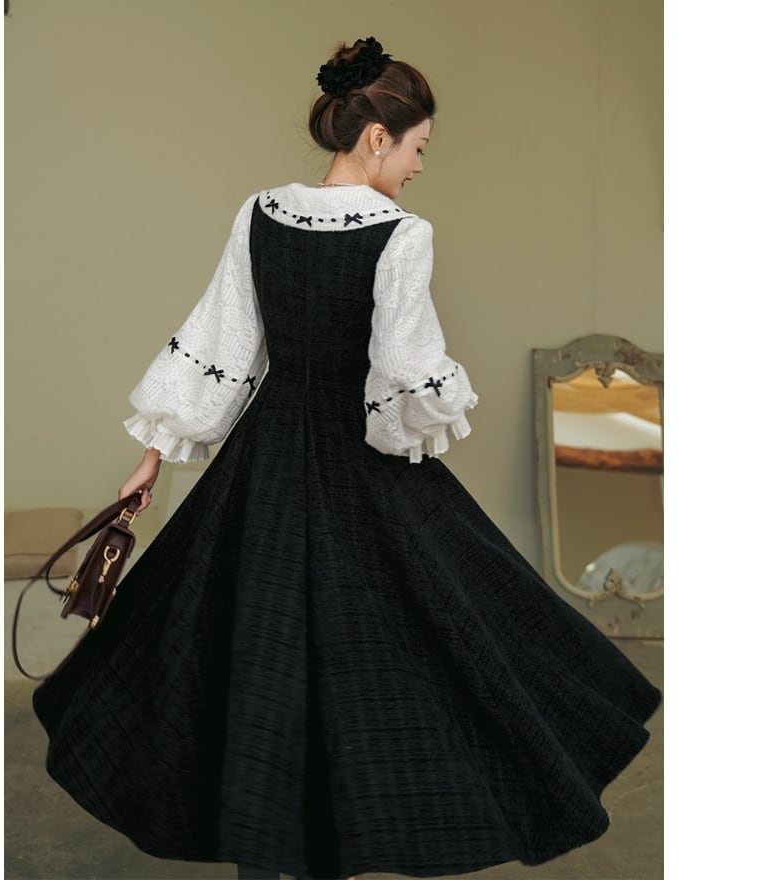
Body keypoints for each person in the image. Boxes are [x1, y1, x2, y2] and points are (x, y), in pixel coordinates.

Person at [32, 36, 661, 880]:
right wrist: (424, 420)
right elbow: (402, 372)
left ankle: (263, 840)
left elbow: (223, 341)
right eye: (418, 148)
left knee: (252, 649)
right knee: (416, 645)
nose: (420, 167)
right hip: (359, 464)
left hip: (263, 463)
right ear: (376, 138)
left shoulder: (258, 213)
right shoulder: (403, 235)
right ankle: (340, 837)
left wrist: (153, 455)